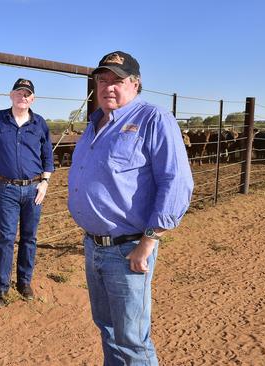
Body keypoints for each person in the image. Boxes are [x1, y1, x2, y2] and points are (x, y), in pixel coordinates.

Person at [68, 51, 194, 364]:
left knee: (132, 340)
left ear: (135, 84)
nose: (108, 86)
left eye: (117, 80)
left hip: (129, 249)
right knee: (108, 328)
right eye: (102, 79)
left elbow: (177, 183)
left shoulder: (153, 119)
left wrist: (148, 241)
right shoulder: (94, 124)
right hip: (93, 245)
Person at [0, 78, 54, 308]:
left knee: (29, 237)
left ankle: (24, 282)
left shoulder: (40, 123)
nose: (23, 97)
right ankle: (1, 288)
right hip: (8, 188)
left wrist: (45, 182)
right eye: (19, 93)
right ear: (10, 95)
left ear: (32, 99)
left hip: (35, 188)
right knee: (5, 238)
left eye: (27, 94)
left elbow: (47, 156)